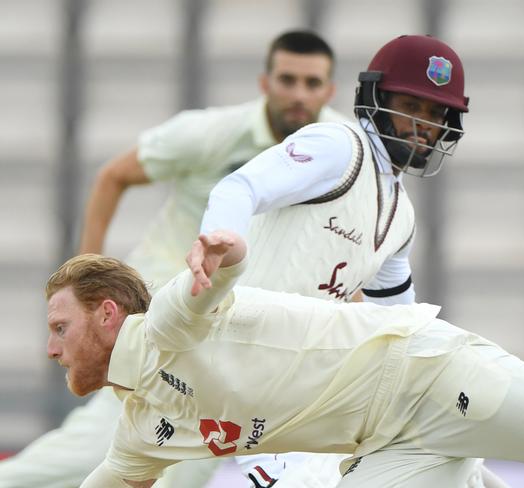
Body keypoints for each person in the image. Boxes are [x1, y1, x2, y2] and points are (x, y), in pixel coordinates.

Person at [0, 29, 346, 488]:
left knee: (185, 470)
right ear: (265, 83)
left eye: (312, 83)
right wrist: (85, 276)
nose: (299, 95)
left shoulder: (340, 151)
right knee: (83, 454)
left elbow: (342, 247)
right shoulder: (211, 133)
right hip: (158, 319)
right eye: (288, 80)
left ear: (330, 90)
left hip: (227, 341)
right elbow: (112, 176)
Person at [45, 229, 524, 488]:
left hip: (432, 378)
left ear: (107, 315)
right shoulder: (140, 431)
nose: (51, 348)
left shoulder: (166, 326)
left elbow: (218, 272)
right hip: (391, 446)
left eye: (60, 326)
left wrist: (226, 247)